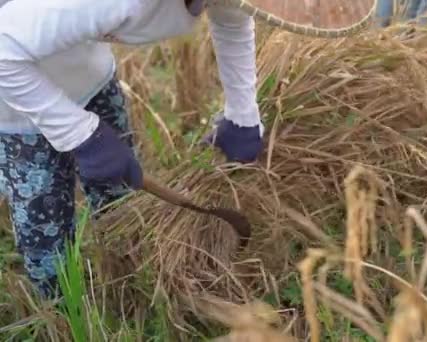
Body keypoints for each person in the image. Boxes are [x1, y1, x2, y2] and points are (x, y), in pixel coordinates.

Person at [0, 0, 263, 298]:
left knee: (119, 200)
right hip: (14, 104)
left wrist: (243, 115)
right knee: (46, 232)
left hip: (89, 75)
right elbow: (3, 49)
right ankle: (64, 310)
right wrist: (79, 133)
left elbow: (232, 18)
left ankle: (126, 282)